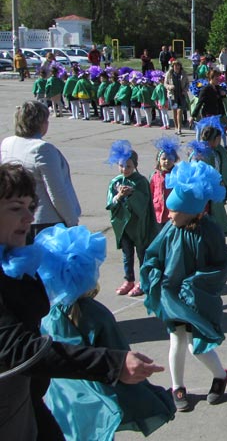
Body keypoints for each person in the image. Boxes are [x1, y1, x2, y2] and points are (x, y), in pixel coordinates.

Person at [0, 163, 163, 440]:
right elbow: (18, 349)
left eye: (30, 206)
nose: (29, 217)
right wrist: (113, 364)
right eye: (16, 208)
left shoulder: (16, 261)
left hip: (25, 400)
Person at [140, 160, 227, 413]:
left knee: (196, 346)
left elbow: (221, 265)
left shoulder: (210, 231)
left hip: (196, 300)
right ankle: (177, 386)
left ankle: (220, 375)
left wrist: (196, 284)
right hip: (171, 297)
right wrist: (153, 274)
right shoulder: (171, 229)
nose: (168, 215)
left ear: (191, 210)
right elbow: (153, 254)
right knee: (176, 342)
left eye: (174, 210)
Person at [1, 101, 81, 238]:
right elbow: (57, 192)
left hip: (15, 219)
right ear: (40, 123)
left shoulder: (7, 142)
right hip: (44, 222)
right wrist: (72, 221)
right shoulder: (42, 149)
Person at [106, 141, 157, 297]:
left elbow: (144, 204)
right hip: (124, 226)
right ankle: (128, 279)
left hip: (139, 226)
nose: (125, 169)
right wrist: (119, 196)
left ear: (135, 165)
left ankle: (143, 280)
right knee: (127, 255)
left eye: (128, 166)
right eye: (121, 166)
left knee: (142, 253)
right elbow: (110, 204)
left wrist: (132, 194)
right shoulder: (115, 182)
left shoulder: (140, 181)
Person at [150, 136, 180, 230]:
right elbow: (151, 192)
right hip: (157, 212)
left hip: (172, 213)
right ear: (158, 160)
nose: (167, 161)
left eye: (170, 158)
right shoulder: (154, 175)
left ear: (174, 160)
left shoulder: (177, 174)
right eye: (164, 159)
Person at [164, 60, 190, 135]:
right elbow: (165, 83)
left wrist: (185, 90)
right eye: (175, 66)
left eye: (178, 65)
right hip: (173, 95)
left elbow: (187, 83)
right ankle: (176, 127)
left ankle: (179, 128)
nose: (177, 67)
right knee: (174, 111)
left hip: (181, 95)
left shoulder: (183, 73)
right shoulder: (169, 73)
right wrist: (169, 86)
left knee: (180, 111)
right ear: (173, 66)